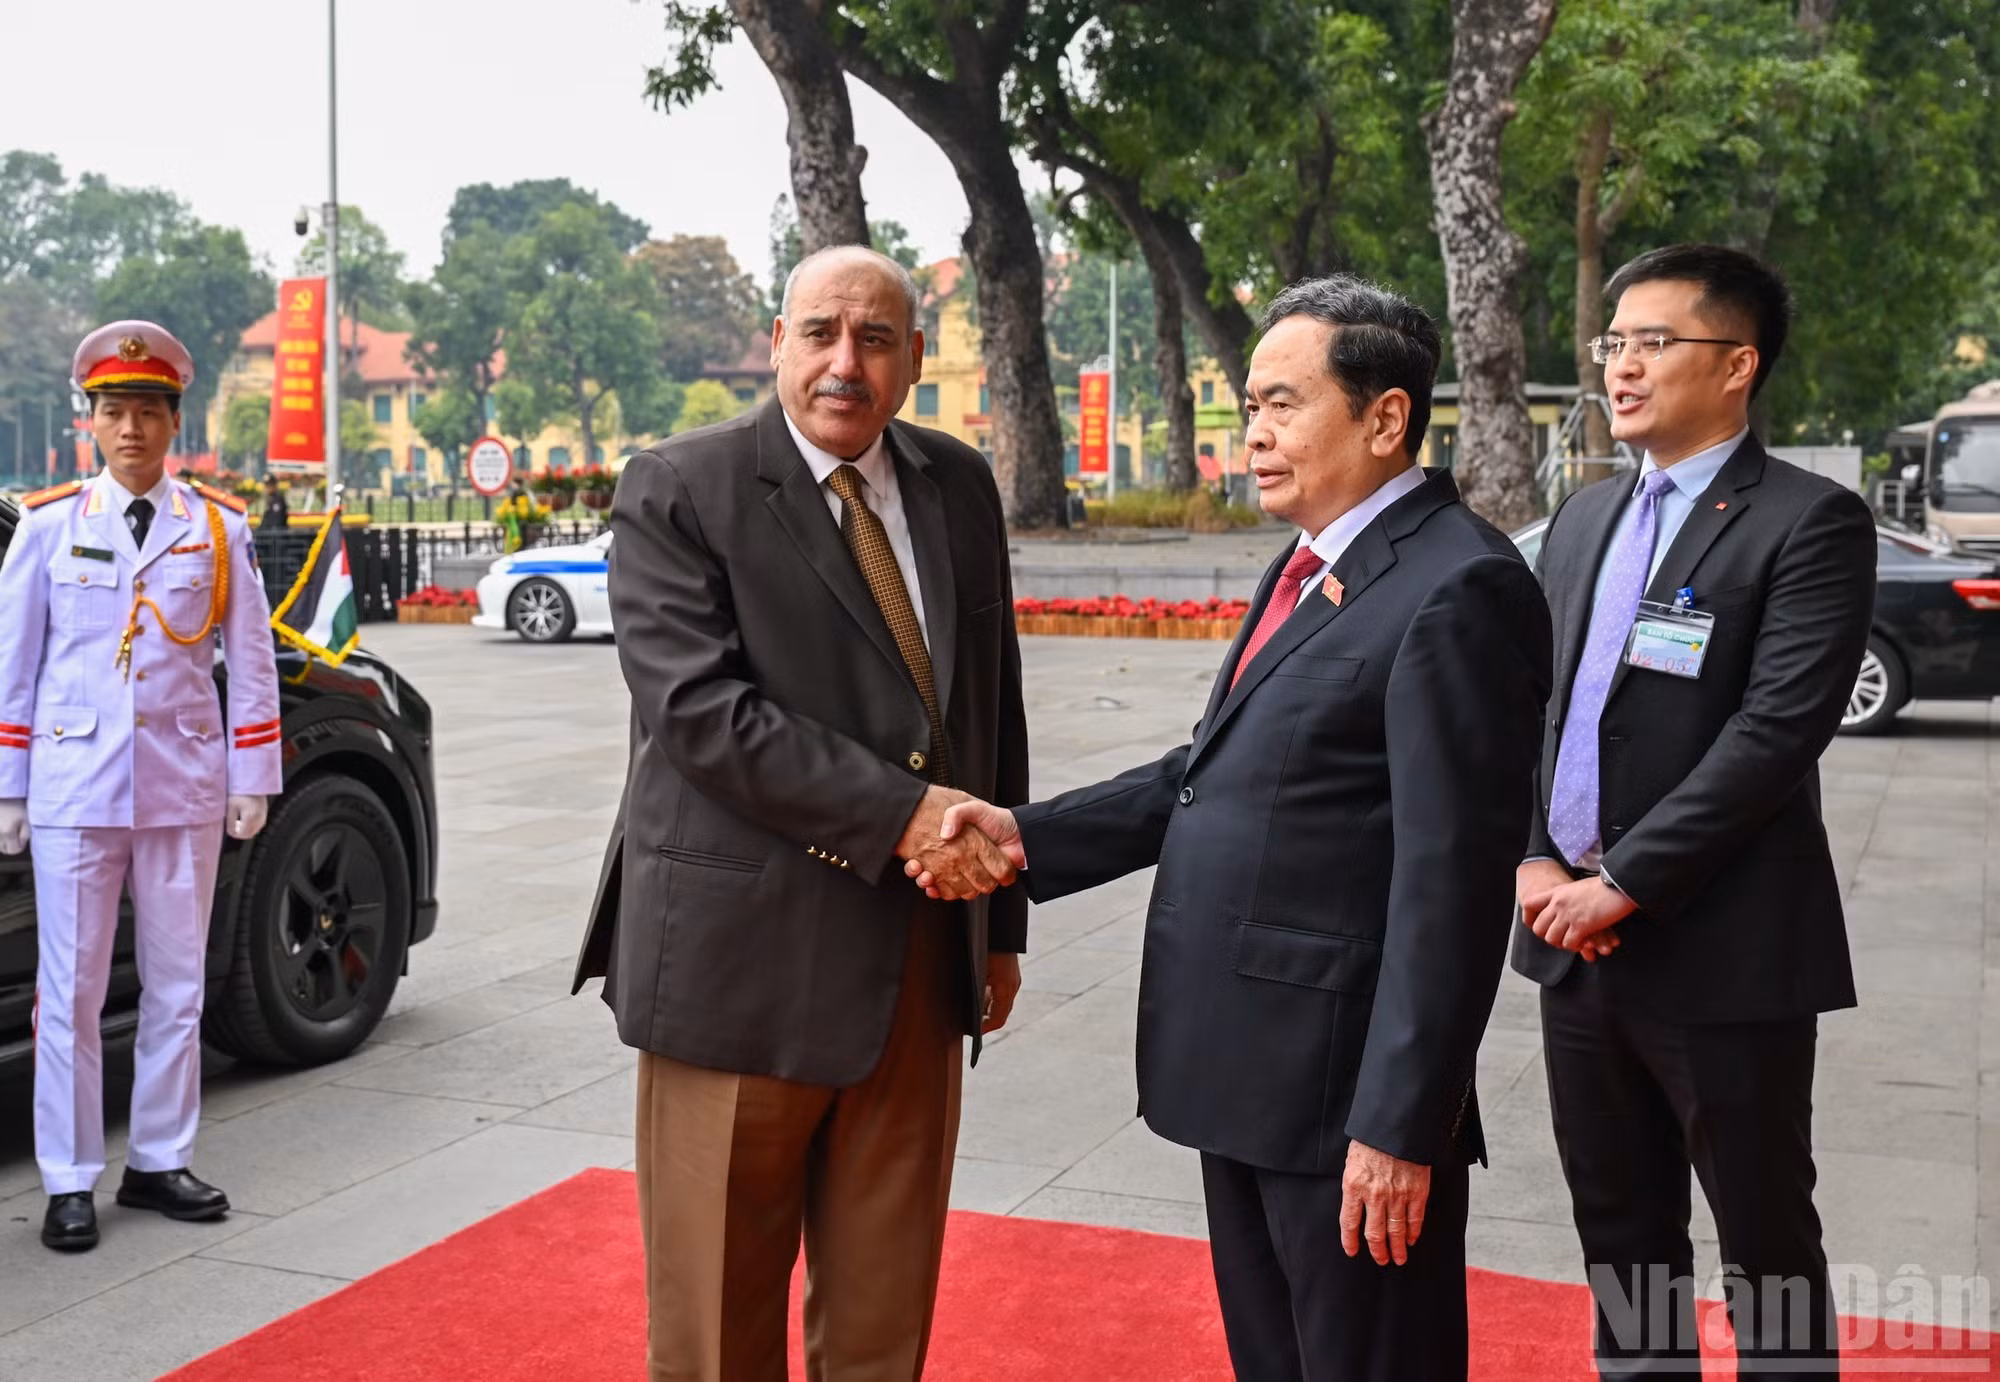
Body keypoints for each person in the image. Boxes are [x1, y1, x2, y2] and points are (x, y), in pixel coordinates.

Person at [918, 276, 1553, 1381]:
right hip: (1251, 1071)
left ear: (1383, 416)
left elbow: (1447, 886)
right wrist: (1021, 832)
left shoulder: (1460, 587)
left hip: (1341, 1098)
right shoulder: (1312, 564)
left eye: (1278, 403)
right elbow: (1209, 775)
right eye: (1247, 404)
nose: (1251, 434)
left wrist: (1400, 1123)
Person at [571, 244, 1029, 1382]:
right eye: (819, 332)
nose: (844, 363)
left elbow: (989, 707)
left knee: (882, 1329)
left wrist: (1001, 921)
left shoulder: (955, 484)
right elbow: (702, 716)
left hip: (919, 969)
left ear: (915, 357)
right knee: (717, 1336)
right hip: (739, 978)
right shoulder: (681, 484)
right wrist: (906, 815)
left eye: (875, 338)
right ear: (776, 341)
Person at [1511, 244, 1875, 1377]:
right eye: (1611, 343)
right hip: (1572, 950)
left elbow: (1772, 733)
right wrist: (1530, 857)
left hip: (1721, 951)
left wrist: (1621, 880)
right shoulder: (1581, 519)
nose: (1619, 366)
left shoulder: (1805, 521)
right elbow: (1535, 700)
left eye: (1651, 342)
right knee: (1620, 1231)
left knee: (1762, 1234)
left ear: (1735, 364)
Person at [0, 320, 283, 1252]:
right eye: (115, 411)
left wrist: (255, 777)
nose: (132, 429)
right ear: (90, 423)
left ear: (173, 423)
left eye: (149, 412)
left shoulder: (216, 527)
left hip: (183, 786)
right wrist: (10, 788)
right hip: (75, 788)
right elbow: (14, 670)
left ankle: (159, 1159)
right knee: (70, 993)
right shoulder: (45, 529)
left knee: (176, 988)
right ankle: (71, 1176)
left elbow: (250, 662)